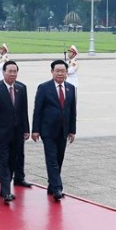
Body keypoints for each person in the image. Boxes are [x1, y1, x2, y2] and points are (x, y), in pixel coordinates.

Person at [31, 59, 77, 201]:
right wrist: (35, 130)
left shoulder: (70, 88)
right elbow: (37, 110)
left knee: (59, 158)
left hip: (63, 131)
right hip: (48, 131)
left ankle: (52, 186)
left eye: (63, 71)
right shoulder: (44, 88)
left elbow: (72, 111)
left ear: (66, 72)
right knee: (52, 159)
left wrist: (72, 130)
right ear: (52, 72)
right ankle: (57, 188)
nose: (60, 73)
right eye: (57, 71)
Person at [0, 60, 32, 203]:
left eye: (15, 71)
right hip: (1, 133)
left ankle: (7, 186)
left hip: (17, 133)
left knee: (13, 160)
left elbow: (23, 111)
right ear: (3, 72)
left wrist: (26, 129)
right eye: (10, 71)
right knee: (3, 161)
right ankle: (6, 191)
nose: (13, 74)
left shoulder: (21, 88)